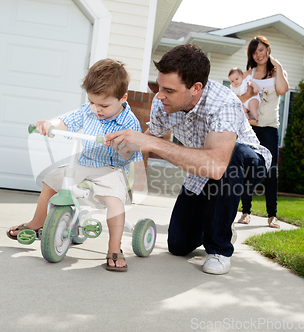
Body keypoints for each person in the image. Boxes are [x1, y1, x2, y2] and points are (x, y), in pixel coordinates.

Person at [104, 44, 272, 275]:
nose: (160, 95)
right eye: (160, 87)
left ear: (196, 88)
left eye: (169, 90)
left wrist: (153, 144)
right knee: (178, 244)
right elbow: (150, 139)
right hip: (201, 168)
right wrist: (120, 143)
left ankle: (220, 249)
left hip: (245, 164)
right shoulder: (162, 103)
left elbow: (217, 165)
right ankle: (220, 220)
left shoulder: (224, 103)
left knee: (232, 157)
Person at [7, 59, 143, 272]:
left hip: (111, 168)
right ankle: (37, 223)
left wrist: (121, 145)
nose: (96, 109)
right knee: (51, 180)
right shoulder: (88, 110)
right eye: (92, 102)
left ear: (122, 98)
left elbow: (131, 153)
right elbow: (66, 121)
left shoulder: (129, 121)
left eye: (104, 105)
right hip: (83, 162)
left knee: (115, 199)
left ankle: (115, 247)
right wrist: (50, 124)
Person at [236, 36, 289, 228]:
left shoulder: (277, 73)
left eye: (262, 50)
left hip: (269, 128)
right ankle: (246, 212)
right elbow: (239, 98)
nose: (259, 54)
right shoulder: (248, 74)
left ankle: (272, 215)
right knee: (248, 169)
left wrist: (279, 67)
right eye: (255, 51)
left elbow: (282, 90)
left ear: (268, 49)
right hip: (250, 128)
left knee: (271, 171)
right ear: (251, 55)